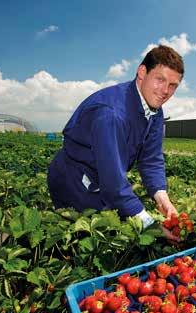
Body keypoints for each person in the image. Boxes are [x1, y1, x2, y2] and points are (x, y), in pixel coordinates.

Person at [48, 45, 183, 240]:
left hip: (104, 179)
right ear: (142, 72)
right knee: (87, 238)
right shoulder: (112, 114)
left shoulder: (154, 110)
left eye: (173, 85)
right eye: (160, 79)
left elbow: (151, 158)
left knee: (112, 223)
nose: (165, 91)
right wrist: (148, 223)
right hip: (75, 180)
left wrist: (161, 195)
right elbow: (113, 182)